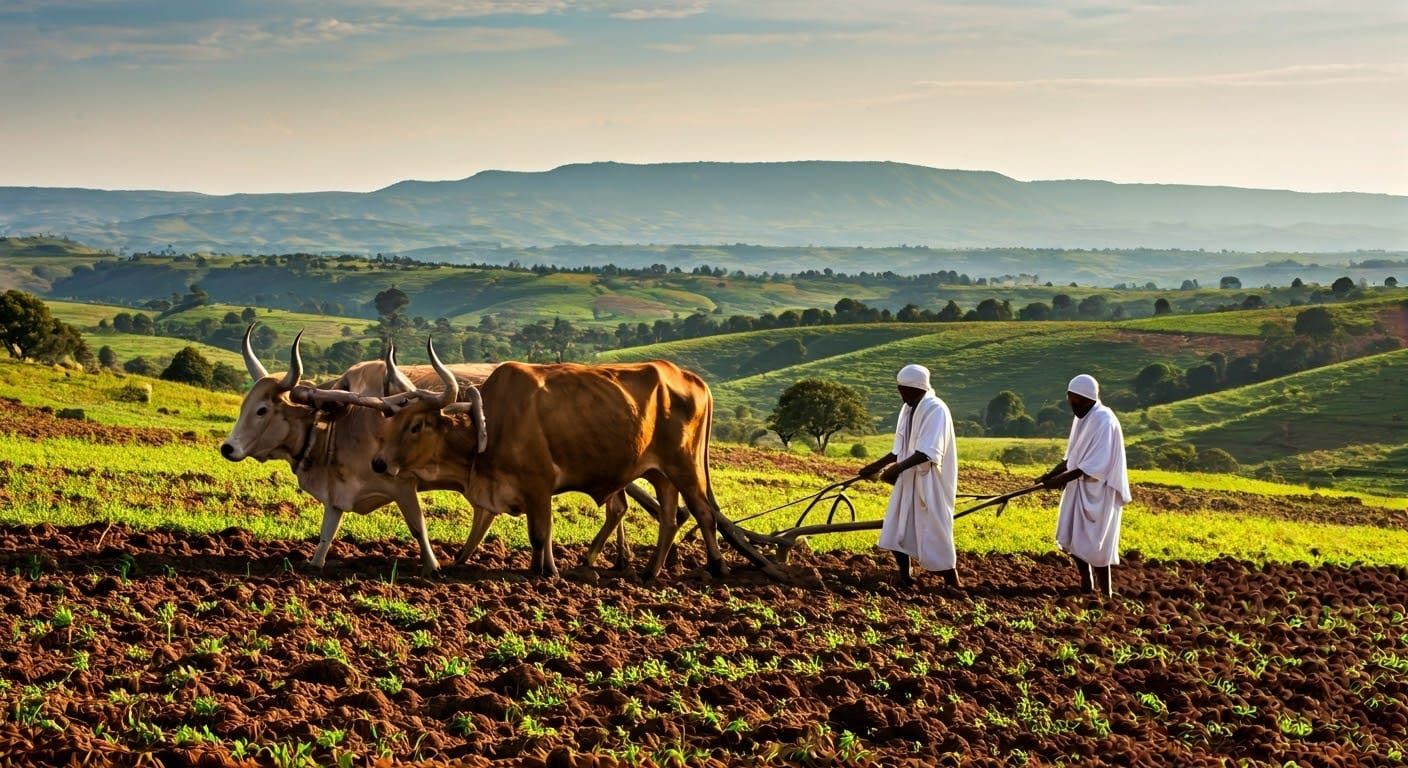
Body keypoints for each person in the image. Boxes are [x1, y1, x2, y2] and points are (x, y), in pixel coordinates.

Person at [858, 364, 959, 589]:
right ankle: (905, 575)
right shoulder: (908, 409)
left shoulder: (935, 409)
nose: (900, 393)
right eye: (899, 388)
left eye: (904, 389)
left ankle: (952, 580)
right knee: (896, 526)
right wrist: (876, 466)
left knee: (934, 529)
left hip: (930, 480)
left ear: (917, 387)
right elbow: (899, 449)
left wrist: (895, 469)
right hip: (908, 478)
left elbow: (928, 452)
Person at [1037, 374, 1131, 597]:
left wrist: (1058, 482)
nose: (1070, 403)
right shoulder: (1082, 418)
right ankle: (1086, 583)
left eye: (1073, 399)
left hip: (1099, 491)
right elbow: (1072, 458)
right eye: (1069, 398)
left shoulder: (1104, 421)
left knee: (1097, 544)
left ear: (1085, 397)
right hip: (1078, 487)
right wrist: (1050, 475)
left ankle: (1106, 592)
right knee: (1073, 536)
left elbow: (1092, 466)